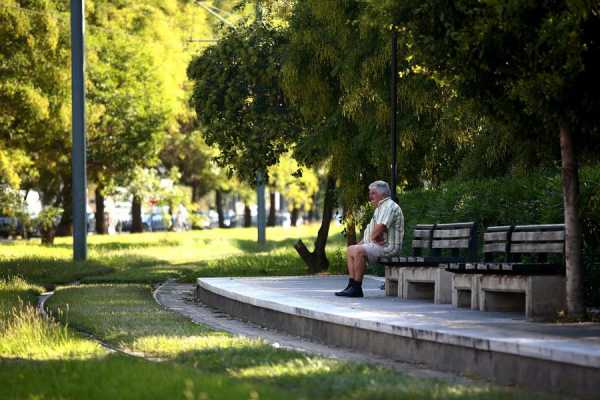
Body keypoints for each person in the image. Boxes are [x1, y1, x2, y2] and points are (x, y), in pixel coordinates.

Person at [335, 180, 404, 297]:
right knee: (351, 249)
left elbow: (379, 228)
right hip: (381, 246)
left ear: (382, 194)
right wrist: (362, 243)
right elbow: (371, 234)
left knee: (358, 250)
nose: (370, 196)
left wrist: (374, 237)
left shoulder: (389, 206)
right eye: (370, 193)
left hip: (389, 247)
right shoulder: (379, 208)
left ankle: (357, 287)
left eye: (373, 193)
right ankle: (352, 285)